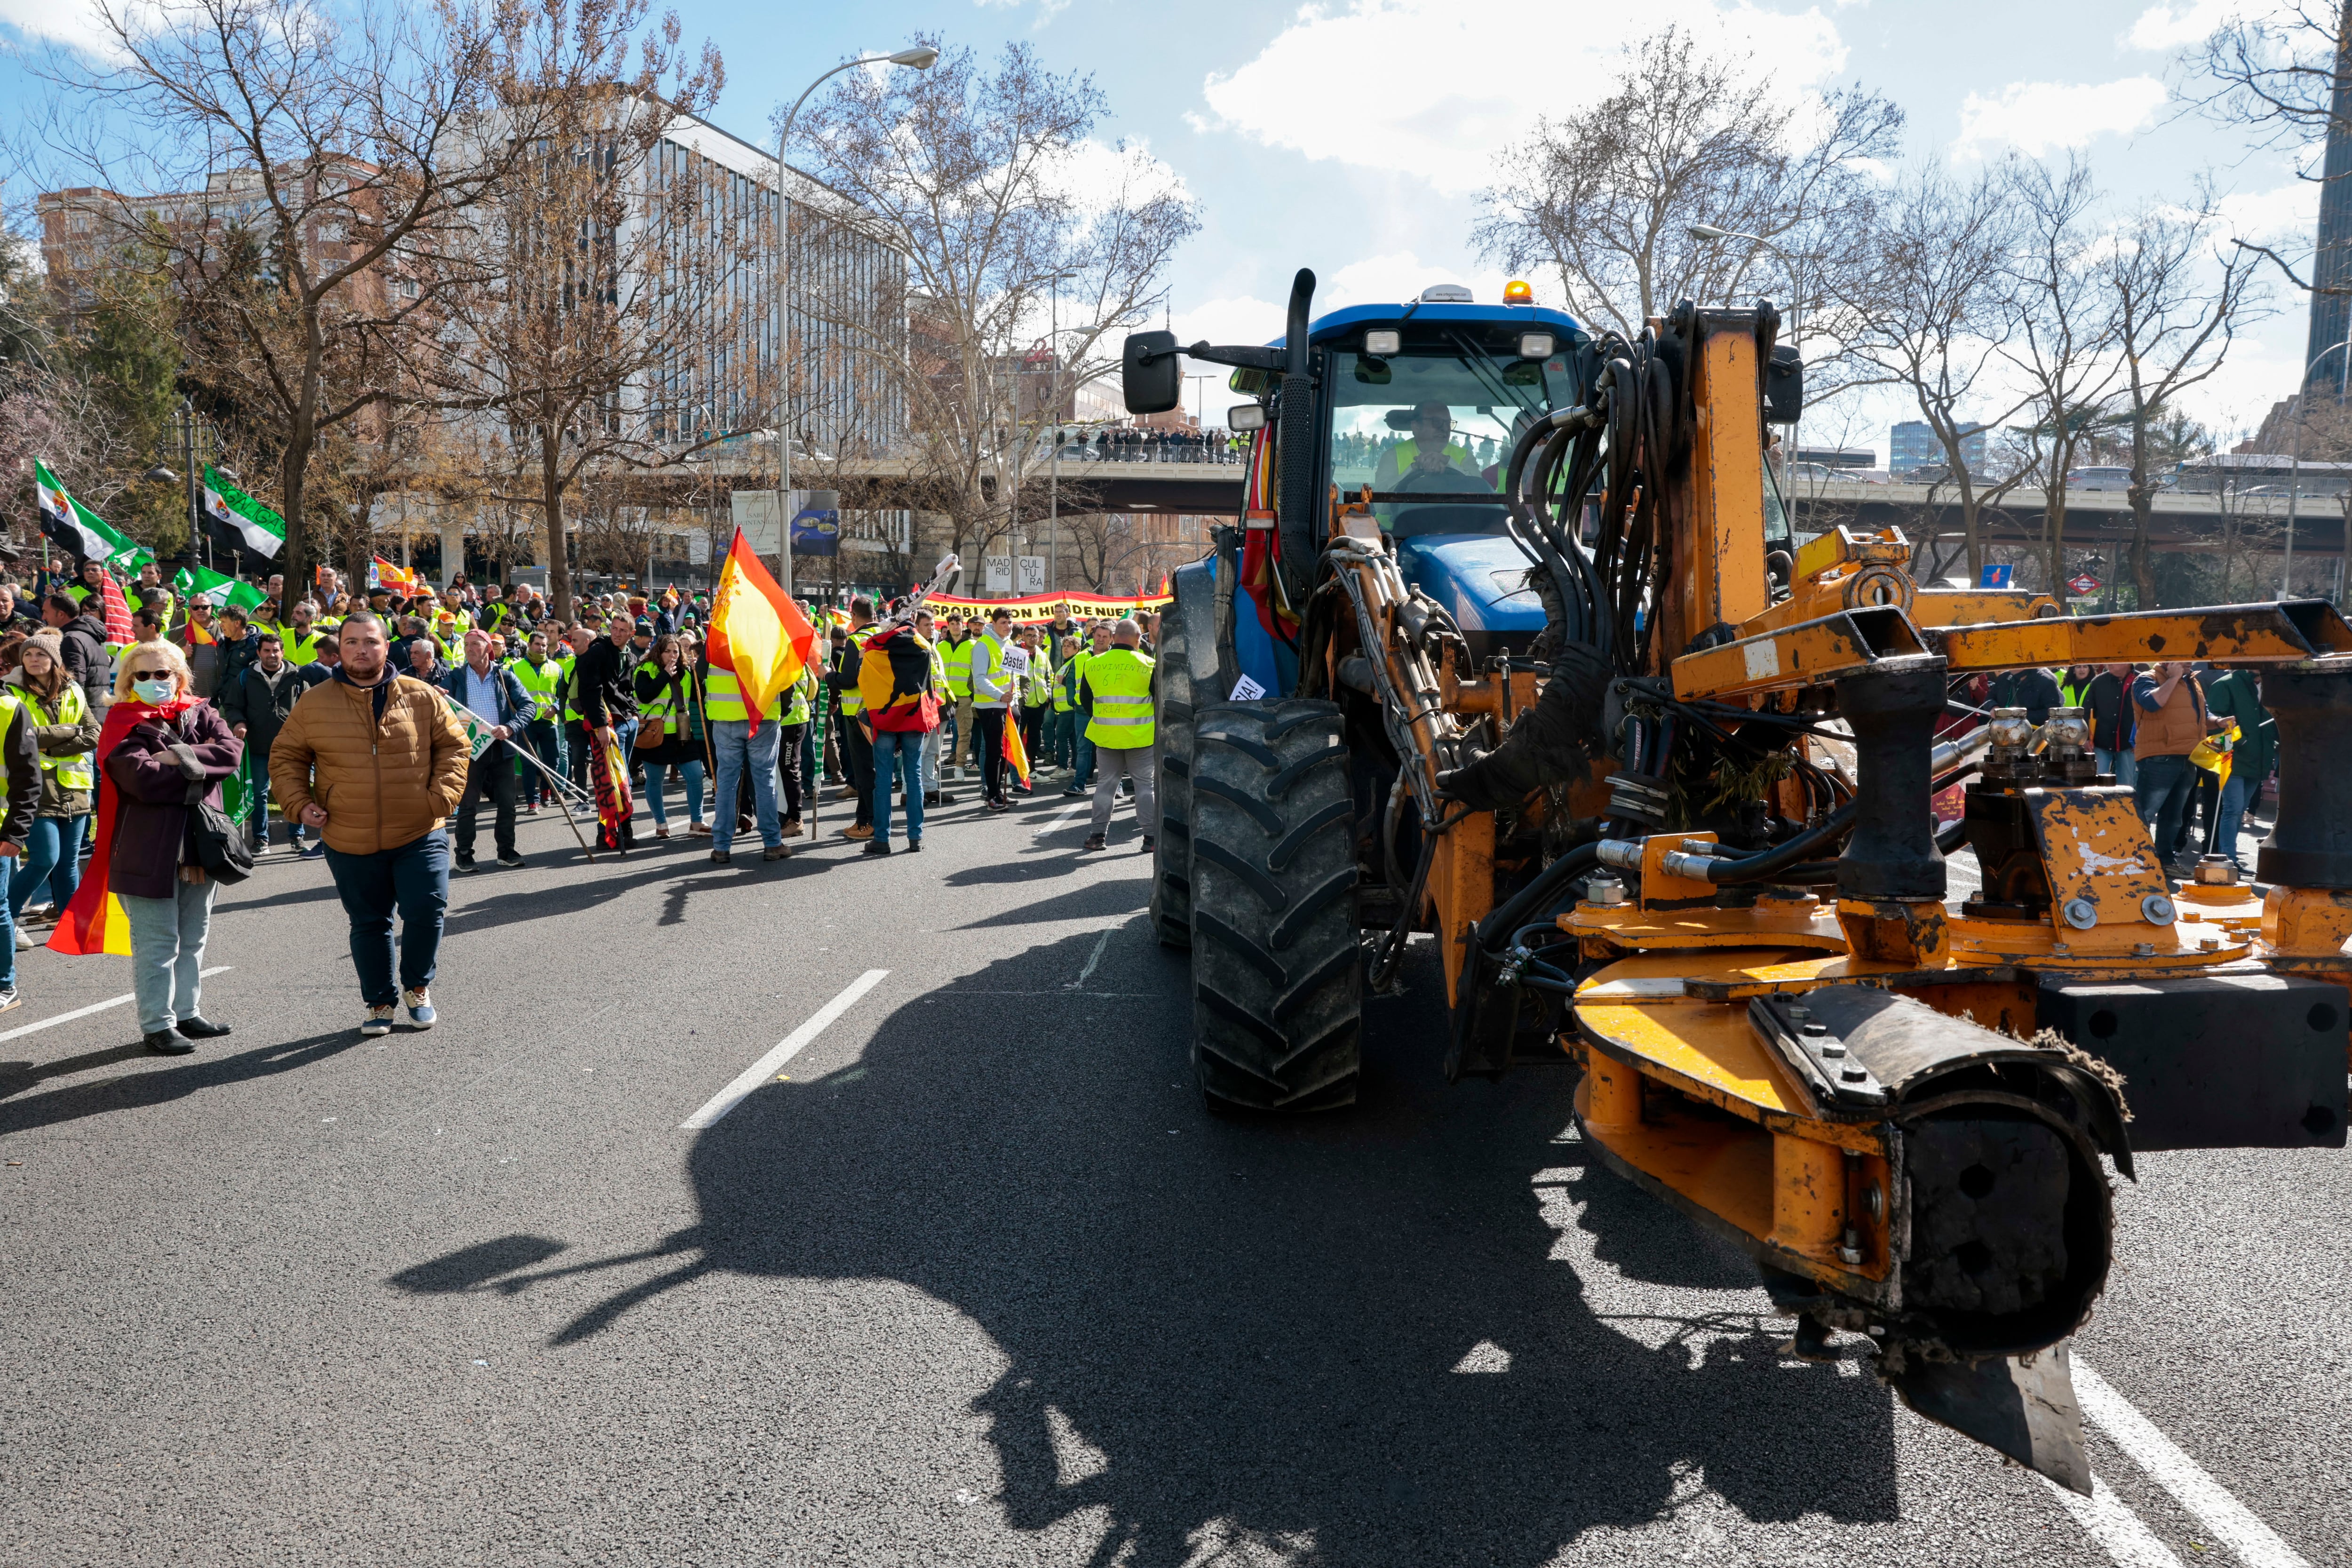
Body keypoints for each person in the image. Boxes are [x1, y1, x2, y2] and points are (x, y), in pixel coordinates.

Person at [270, 613, 472, 1035]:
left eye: (371, 642)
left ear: (387, 646)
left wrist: (441, 798)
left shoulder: (421, 695)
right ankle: (379, 1002)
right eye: (352, 642)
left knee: (427, 909)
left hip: (420, 830)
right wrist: (299, 804)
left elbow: (455, 746)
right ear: (339, 649)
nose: (362, 649)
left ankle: (417, 985)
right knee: (370, 922)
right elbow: (287, 757)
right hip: (349, 835)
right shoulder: (315, 701)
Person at [93, 640, 238, 1051]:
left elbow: (231, 753)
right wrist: (199, 769)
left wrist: (177, 757)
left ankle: (187, 1013)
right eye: (143, 674)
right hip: (145, 849)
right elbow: (141, 778)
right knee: (158, 943)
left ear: (179, 676)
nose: (155, 681)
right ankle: (157, 1024)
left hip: (200, 846)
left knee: (194, 938)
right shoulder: (122, 721)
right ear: (128, 680)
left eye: (163, 673)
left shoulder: (202, 710)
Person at [4, 634, 88, 949]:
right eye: (28, 655)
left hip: (74, 787)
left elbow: (92, 733)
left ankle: (73, 928)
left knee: (68, 862)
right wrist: (67, 733)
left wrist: (52, 741)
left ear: (54, 659)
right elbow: (24, 736)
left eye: (41, 654)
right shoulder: (12, 693)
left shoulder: (74, 689)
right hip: (34, 789)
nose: (34, 659)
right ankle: (6, 917)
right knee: (44, 859)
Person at [217, 632, 330, 855]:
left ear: (283, 652)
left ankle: (297, 837)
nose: (272, 655)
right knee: (259, 794)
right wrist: (239, 722)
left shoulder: (299, 676)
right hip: (259, 746)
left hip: (293, 748)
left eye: (276, 650)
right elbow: (232, 705)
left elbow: (311, 707)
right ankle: (261, 839)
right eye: (267, 651)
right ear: (259, 653)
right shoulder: (245, 676)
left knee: (297, 790)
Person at [441, 628, 537, 871]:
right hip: (470, 751)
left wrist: (511, 727)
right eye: (466, 645)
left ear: (488, 648)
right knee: (469, 804)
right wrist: (435, 695)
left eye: (475, 644)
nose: (469, 649)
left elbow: (529, 707)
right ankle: (464, 854)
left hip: (502, 748)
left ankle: (506, 851)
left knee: (507, 803)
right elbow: (436, 706)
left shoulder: (505, 677)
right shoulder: (455, 678)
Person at [695, 630, 790, 865]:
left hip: (726, 717)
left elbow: (699, 672)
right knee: (765, 781)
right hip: (763, 716)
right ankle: (772, 843)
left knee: (726, 783)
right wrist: (784, 709)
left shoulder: (718, 635)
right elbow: (787, 677)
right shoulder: (768, 636)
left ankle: (722, 847)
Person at [860, 616, 939, 855]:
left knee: (883, 778)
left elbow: (864, 682)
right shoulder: (924, 649)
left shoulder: (875, 653)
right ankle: (915, 837)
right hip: (914, 719)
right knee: (913, 775)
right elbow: (929, 686)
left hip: (886, 720)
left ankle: (882, 839)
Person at [2131, 661, 2219, 876]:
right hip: (2159, 757)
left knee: (2173, 817)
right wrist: (2172, 678)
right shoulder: (2146, 679)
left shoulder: (2192, 681)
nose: (2189, 663)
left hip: (2188, 756)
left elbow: (2202, 715)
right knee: (2145, 813)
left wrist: (2219, 721)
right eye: (2183, 659)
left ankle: (2166, 861)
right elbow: (2153, 704)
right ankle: (2131, 860)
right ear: (2167, 661)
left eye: (2190, 659)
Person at [1080, 618, 1159, 853]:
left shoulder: (1093, 663)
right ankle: (1151, 839)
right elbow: (1158, 700)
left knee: (1106, 786)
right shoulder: (1149, 664)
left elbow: (1086, 699)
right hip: (1141, 737)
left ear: (1114, 639)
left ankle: (1097, 836)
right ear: (1138, 639)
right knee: (1145, 787)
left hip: (1106, 735)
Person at [573, 611, 639, 852]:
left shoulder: (630, 656)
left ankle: (626, 831)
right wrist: (602, 727)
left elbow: (627, 689)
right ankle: (609, 835)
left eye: (623, 631)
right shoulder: (598, 652)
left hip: (627, 722)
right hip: (608, 725)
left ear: (631, 634)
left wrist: (634, 714)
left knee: (625, 779)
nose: (617, 634)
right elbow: (591, 691)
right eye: (615, 629)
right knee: (611, 781)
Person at [2199, 664, 2275, 870]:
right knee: (2233, 810)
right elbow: (2214, 723)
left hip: (2257, 759)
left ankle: (2229, 858)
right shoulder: (2226, 685)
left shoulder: (2270, 684)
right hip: (2234, 759)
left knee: (2238, 810)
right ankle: (2229, 858)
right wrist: (2242, 743)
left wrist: (2272, 747)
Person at [632, 632, 706, 839]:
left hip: (683, 734)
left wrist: (696, 670)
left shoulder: (686, 672)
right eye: (668, 651)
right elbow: (645, 695)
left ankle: (697, 823)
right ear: (659, 652)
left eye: (676, 651)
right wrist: (664, 674)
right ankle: (661, 823)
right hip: (656, 736)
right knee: (655, 781)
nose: (672, 655)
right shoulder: (645, 669)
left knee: (695, 776)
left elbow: (698, 694)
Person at [827, 597, 879, 840]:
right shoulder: (886, 633)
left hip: (858, 716)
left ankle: (868, 822)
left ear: (854, 615)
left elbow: (848, 680)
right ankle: (865, 820)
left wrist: (828, 676)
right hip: (882, 712)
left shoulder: (856, 639)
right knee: (877, 769)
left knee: (864, 772)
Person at [511, 630, 568, 814]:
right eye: (537, 644)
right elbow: (509, 696)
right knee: (529, 763)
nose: (541, 648)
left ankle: (546, 790)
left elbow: (562, 695)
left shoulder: (555, 668)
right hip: (526, 722)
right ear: (529, 645)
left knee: (553, 761)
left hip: (548, 721)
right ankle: (532, 802)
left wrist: (556, 707)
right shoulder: (515, 667)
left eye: (544, 645)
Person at [968, 606, 1017, 812]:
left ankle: (998, 793)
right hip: (989, 706)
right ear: (994, 623)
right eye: (1003, 623)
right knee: (994, 752)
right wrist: (999, 695)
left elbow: (1014, 675)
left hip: (1007, 705)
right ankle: (992, 795)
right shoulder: (983, 645)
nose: (1008, 626)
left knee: (1004, 751)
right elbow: (979, 678)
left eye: (1010, 622)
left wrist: (1014, 699)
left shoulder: (1010, 643)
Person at [1060, 620, 1111, 798]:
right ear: (1093, 635)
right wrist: (1072, 701)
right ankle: (1079, 784)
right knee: (1083, 750)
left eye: (1105, 637)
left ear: (1111, 639)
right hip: (1082, 710)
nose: (1100, 639)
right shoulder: (1081, 656)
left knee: (1111, 750)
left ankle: (1115, 786)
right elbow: (1071, 680)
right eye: (1098, 635)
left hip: (1108, 710)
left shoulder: (1115, 658)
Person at [46, 592, 111, 714]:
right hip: (98, 712)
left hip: (83, 715)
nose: (43, 617)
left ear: (60, 614)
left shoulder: (71, 639)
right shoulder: (89, 636)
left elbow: (74, 683)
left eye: (46, 612)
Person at [940, 611, 976, 779]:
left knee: (964, 733)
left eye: (958, 623)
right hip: (943, 698)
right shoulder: (940, 647)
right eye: (952, 624)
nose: (955, 626)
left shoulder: (973, 646)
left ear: (964, 625)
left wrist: (972, 694)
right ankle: (933, 768)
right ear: (948, 626)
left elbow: (977, 672)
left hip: (964, 697)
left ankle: (960, 766)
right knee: (937, 736)